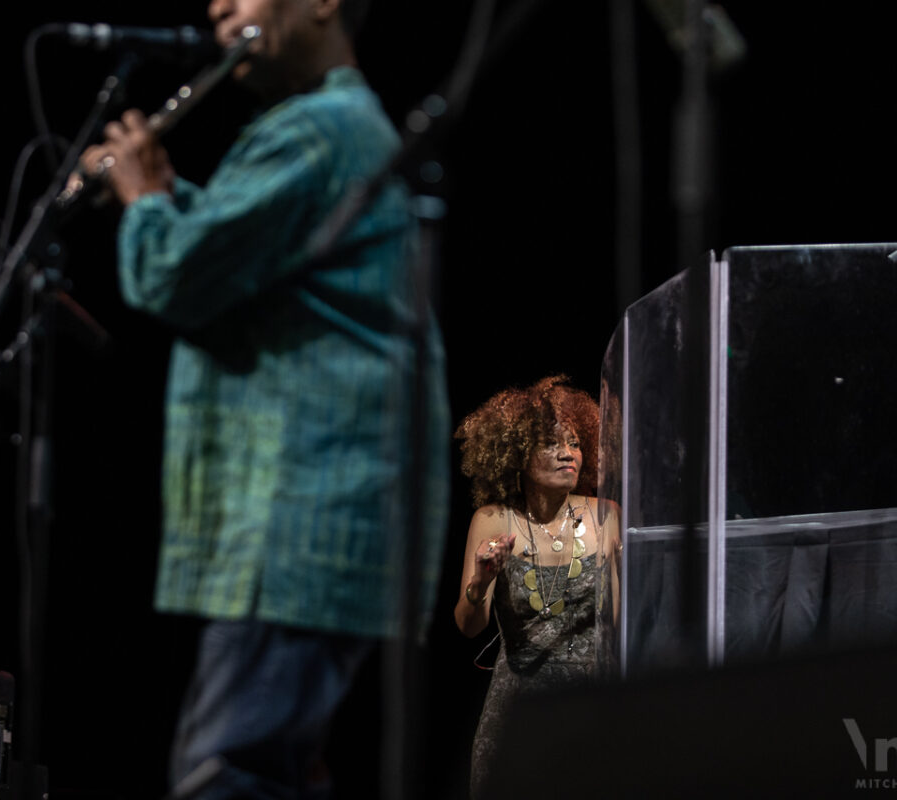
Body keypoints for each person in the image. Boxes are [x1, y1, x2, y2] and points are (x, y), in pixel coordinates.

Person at [76, 0, 450, 796]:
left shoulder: (315, 130)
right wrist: (169, 200)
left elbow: (173, 276)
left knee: (224, 777)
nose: (216, 7)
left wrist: (143, 196)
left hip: (301, 521)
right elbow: (235, 263)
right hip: (325, 525)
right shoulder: (340, 132)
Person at [453, 375, 618, 800]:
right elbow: (469, 625)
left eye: (577, 442)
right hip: (516, 710)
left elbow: (621, 622)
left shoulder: (606, 516)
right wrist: (481, 581)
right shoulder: (494, 519)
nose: (569, 453)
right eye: (552, 443)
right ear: (517, 454)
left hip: (591, 703)